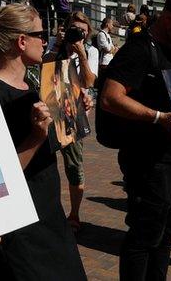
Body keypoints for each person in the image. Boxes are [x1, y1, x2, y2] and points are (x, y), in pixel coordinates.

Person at [100, 0, 171, 281]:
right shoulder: (138, 49)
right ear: (169, 18)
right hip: (149, 162)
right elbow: (110, 98)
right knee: (144, 236)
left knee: (166, 235)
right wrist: (158, 117)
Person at [0, 3, 87, 280]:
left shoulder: (33, 85)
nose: (46, 40)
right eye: (41, 33)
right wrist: (36, 136)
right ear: (22, 41)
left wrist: (74, 111)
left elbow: (58, 141)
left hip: (48, 210)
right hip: (19, 225)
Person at [47, 12, 97, 231]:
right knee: (43, 166)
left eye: (83, 32)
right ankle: (46, 212)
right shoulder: (52, 44)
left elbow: (89, 81)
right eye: (74, 30)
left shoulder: (90, 51)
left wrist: (82, 55)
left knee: (74, 167)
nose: (78, 35)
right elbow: (43, 69)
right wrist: (58, 46)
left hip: (72, 114)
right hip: (48, 111)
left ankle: (74, 214)